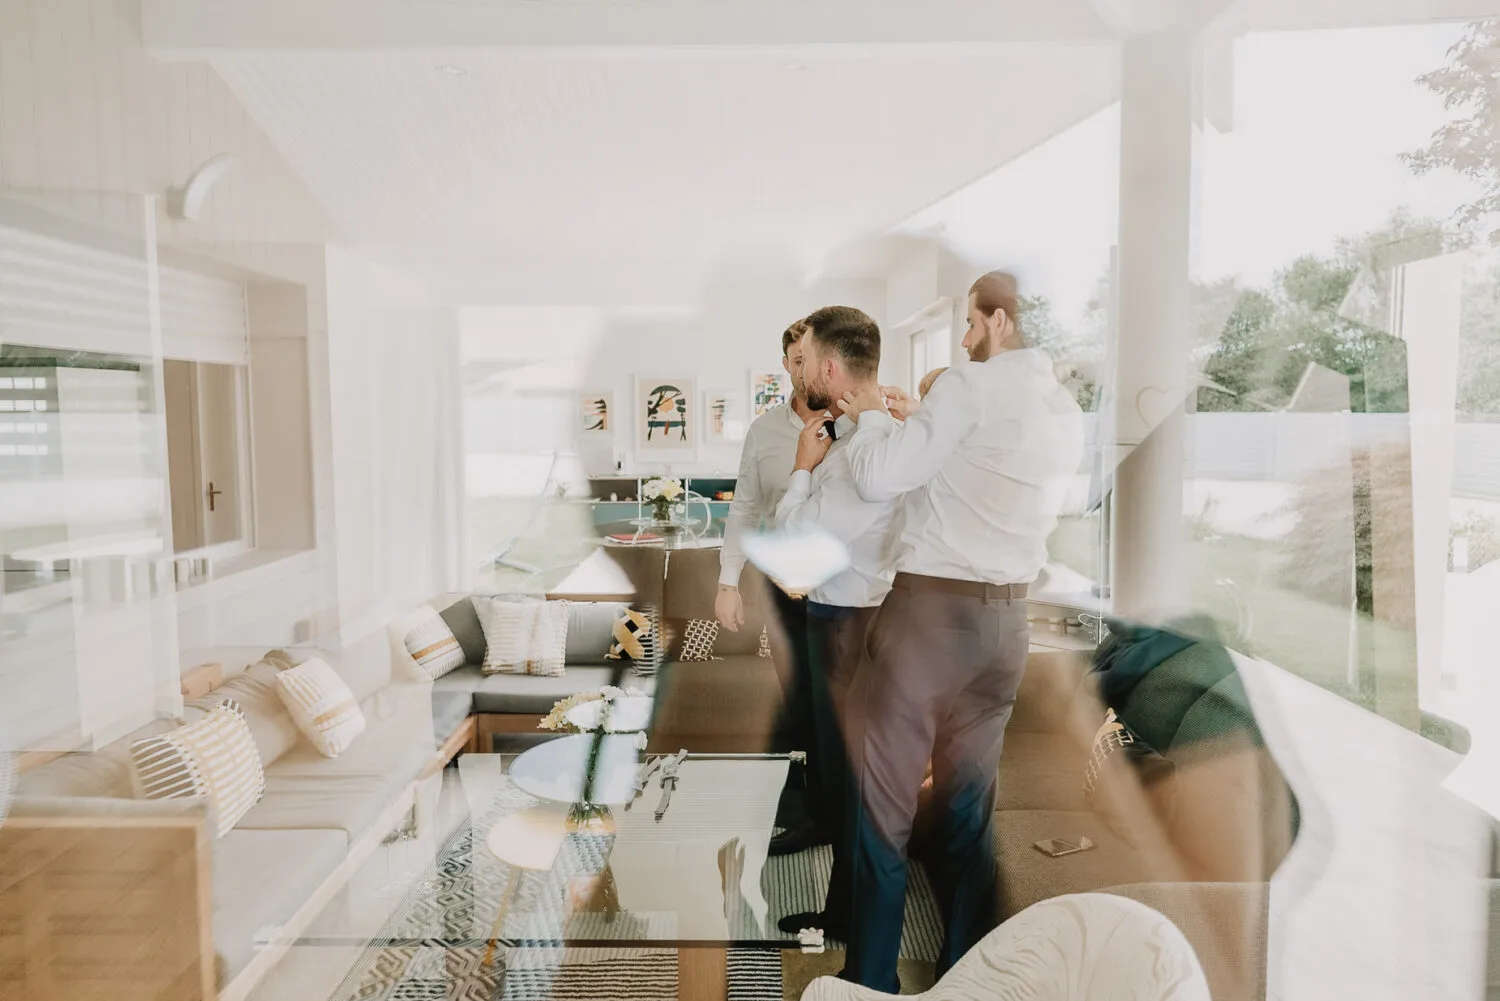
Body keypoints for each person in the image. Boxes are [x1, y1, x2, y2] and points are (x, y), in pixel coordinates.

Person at [835, 271, 1086, 991]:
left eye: (972, 325)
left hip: (929, 622)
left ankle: (870, 984)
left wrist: (878, 418)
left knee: (882, 812)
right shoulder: (1064, 409)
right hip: (1007, 628)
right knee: (969, 815)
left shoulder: (971, 386)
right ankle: (968, 978)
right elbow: (981, 480)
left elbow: (881, 477)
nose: (967, 339)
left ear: (999, 319)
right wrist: (923, 428)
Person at [769, 306, 903, 939]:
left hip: (850, 629)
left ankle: (848, 923)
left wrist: (801, 467)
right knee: (845, 780)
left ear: (828, 365)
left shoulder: (859, 457)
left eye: (804, 365)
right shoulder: (871, 441)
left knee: (853, 788)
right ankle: (846, 912)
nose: (800, 381)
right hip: (855, 620)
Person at [716, 318, 827, 855]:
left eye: (813, 356)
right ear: (786, 363)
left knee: (836, 703)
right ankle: (808, 813)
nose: (805, 367)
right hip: (782, 591)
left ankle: (830, 811)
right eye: (797, 358)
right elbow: (744, 509)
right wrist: (727, 583)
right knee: (798, 698)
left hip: (844, 593)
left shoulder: (855, 426)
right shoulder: (764, 432)